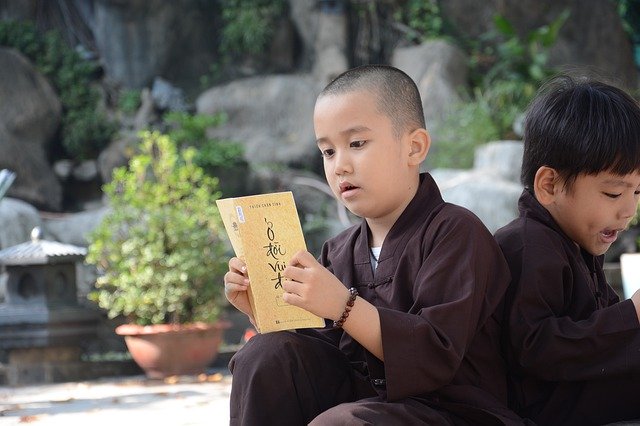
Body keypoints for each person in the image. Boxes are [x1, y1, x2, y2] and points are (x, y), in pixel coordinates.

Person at [224, 64, 522, 425]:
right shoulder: (338, 251)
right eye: (328, 152)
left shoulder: (456, 233)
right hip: (368, 404)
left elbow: (434, 354)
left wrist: (343, 305)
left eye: (356, 144)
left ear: (414, 147)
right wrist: (260, 306)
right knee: (266, 355)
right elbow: (311, 357)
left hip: (451, 411)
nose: (340, 166)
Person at [494, 74, 640, 425]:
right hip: (542, 406)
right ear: (550, 185)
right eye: (613, 193)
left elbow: (595, 328)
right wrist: (631, 315)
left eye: (637, 193)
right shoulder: (527, 245)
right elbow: (535, 349)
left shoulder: (573, 240)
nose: (628, 211)